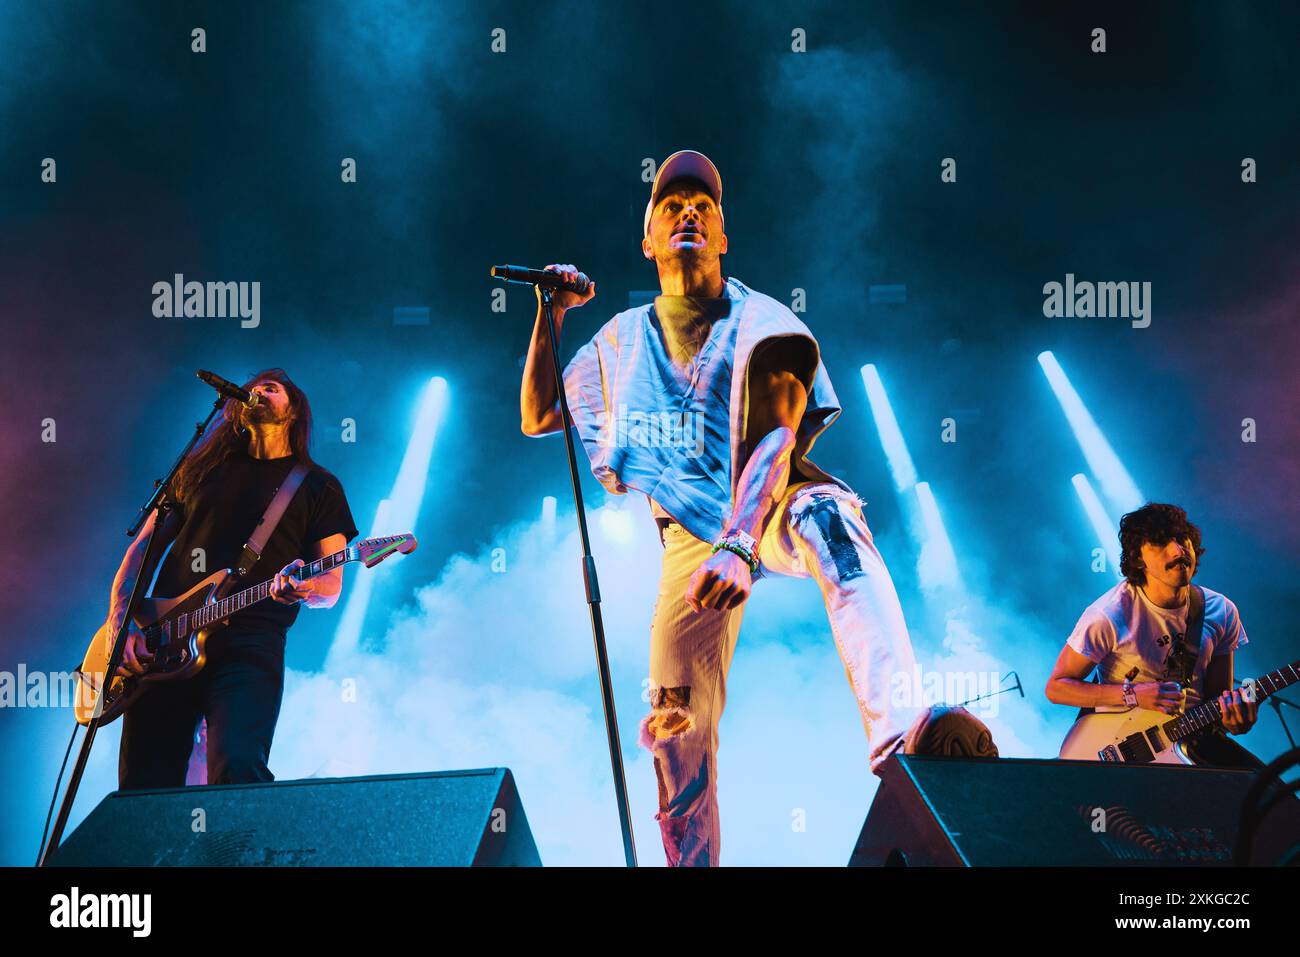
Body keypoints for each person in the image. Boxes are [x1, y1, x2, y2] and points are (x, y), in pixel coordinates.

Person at [520, 150, 919, 865]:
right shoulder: (618, 341)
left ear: (723, 235)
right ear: (647, 240)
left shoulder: (763, 317)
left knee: (830, 519)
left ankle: (908, 745)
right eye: (670, 204)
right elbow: (539, 411)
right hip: (688, 538)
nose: (688, 211)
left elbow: (776, 436)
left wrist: (740, 543)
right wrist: (550, 312)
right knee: (671, 720)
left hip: (768, 502)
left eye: (703, 204)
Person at [105, 368, 359, 790]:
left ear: (294, 412)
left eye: (272, 388)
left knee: (239, 772)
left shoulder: (318, 487)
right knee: (143, 785)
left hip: (249, 645)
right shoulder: (197, 472)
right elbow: (140, 555)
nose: (258, 391)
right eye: (255, 386)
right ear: (237, 413)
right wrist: (120, 622)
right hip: (163, 643)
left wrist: (302, 587)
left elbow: (330, 586)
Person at [1046, 502, 1259, 766]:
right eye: (1161, 543)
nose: (1178, 550)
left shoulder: (1221, 610)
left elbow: (1218, 701)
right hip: (1120, 746)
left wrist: (1235, 721)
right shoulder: (1109, 614)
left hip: (1190, 742)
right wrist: (1133, 694)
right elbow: (1056, 688)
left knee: (1274, 800)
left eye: (1183, 539)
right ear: (1138, 558)